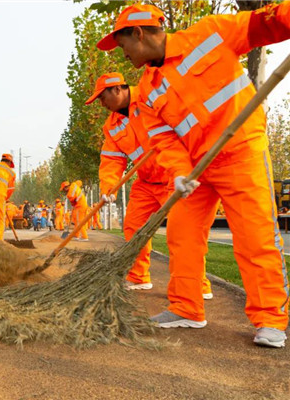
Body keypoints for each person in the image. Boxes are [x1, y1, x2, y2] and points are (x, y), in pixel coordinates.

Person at [99, 3, 289, 347]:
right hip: (196, 167)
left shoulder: (210, 32)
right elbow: (164, 139)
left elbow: (268, 22)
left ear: (138, 34)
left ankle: (270, 319)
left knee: (254, 236)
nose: (122, 53)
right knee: (182, 235)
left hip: (241, 151)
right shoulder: (147, 90)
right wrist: (180, 174)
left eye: (121, 43)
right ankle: (187, 308)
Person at [87, 72, 212, 297]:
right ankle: (138, 276)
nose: (101, 103)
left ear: (117, 89)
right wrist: (109, 187)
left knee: (183, 234)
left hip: (174, 177)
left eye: (102, 97)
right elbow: (112, 160)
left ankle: (197, 285)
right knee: (133, 227)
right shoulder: (111, 125)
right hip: (145, 183)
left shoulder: (150, 98)